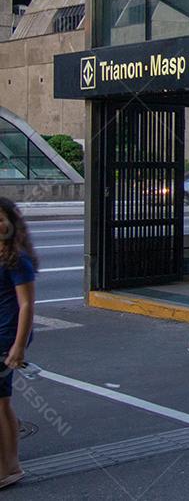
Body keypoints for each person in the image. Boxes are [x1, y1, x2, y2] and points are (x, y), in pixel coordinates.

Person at [0, 198, 36, 489]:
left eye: (1, 218)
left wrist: (19, 345)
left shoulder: (17, 258)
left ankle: (9, 467)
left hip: (6, 335)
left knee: (1, 403)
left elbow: (26, 305)